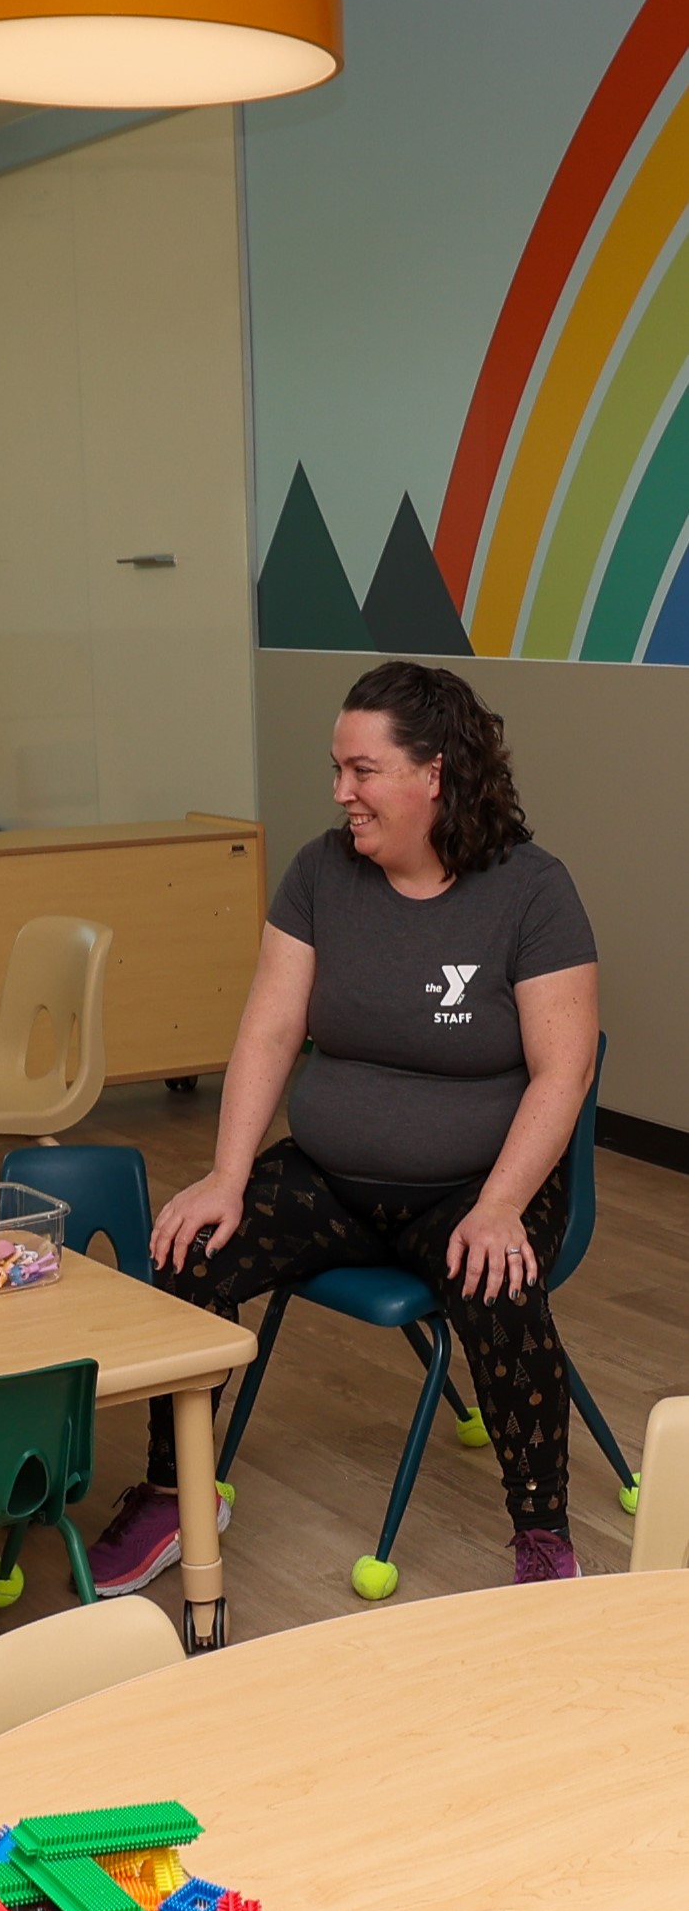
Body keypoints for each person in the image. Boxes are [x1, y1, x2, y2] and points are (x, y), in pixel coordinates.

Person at [91, 660, 600, 1596]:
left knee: (498, 1281)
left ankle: (542, 1537)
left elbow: (561, 1069)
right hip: (330, 1179)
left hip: (477, 1184)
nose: (340, 794)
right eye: (337, 770)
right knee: (188, 1252)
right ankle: (177, 1492)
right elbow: (270, 1027)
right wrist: (226, 1173)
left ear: (432, 774)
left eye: (361, 771)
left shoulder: (531, 890)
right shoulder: (321, 872)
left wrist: (497, 1208)